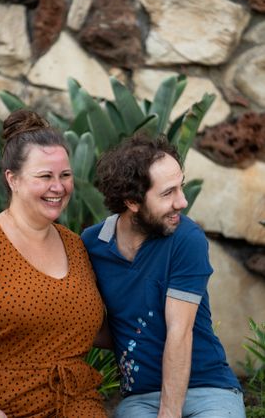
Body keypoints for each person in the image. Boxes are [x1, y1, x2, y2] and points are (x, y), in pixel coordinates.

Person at [81, 133, 246, 418]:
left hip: (209, 388)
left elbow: (178, 332)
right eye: (168, 193)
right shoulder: (93, 244)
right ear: (132, 201)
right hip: (142, 396)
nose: (182, 202)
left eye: (180, 188)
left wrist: (169, 414)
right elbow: (89, 321)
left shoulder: (186, 238)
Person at [0, 110, 107, 418]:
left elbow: (87, 325)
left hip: (75, 404)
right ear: (12, 179)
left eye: (65, 175)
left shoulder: (76, 246)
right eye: (45, 176)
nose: (58, 187)